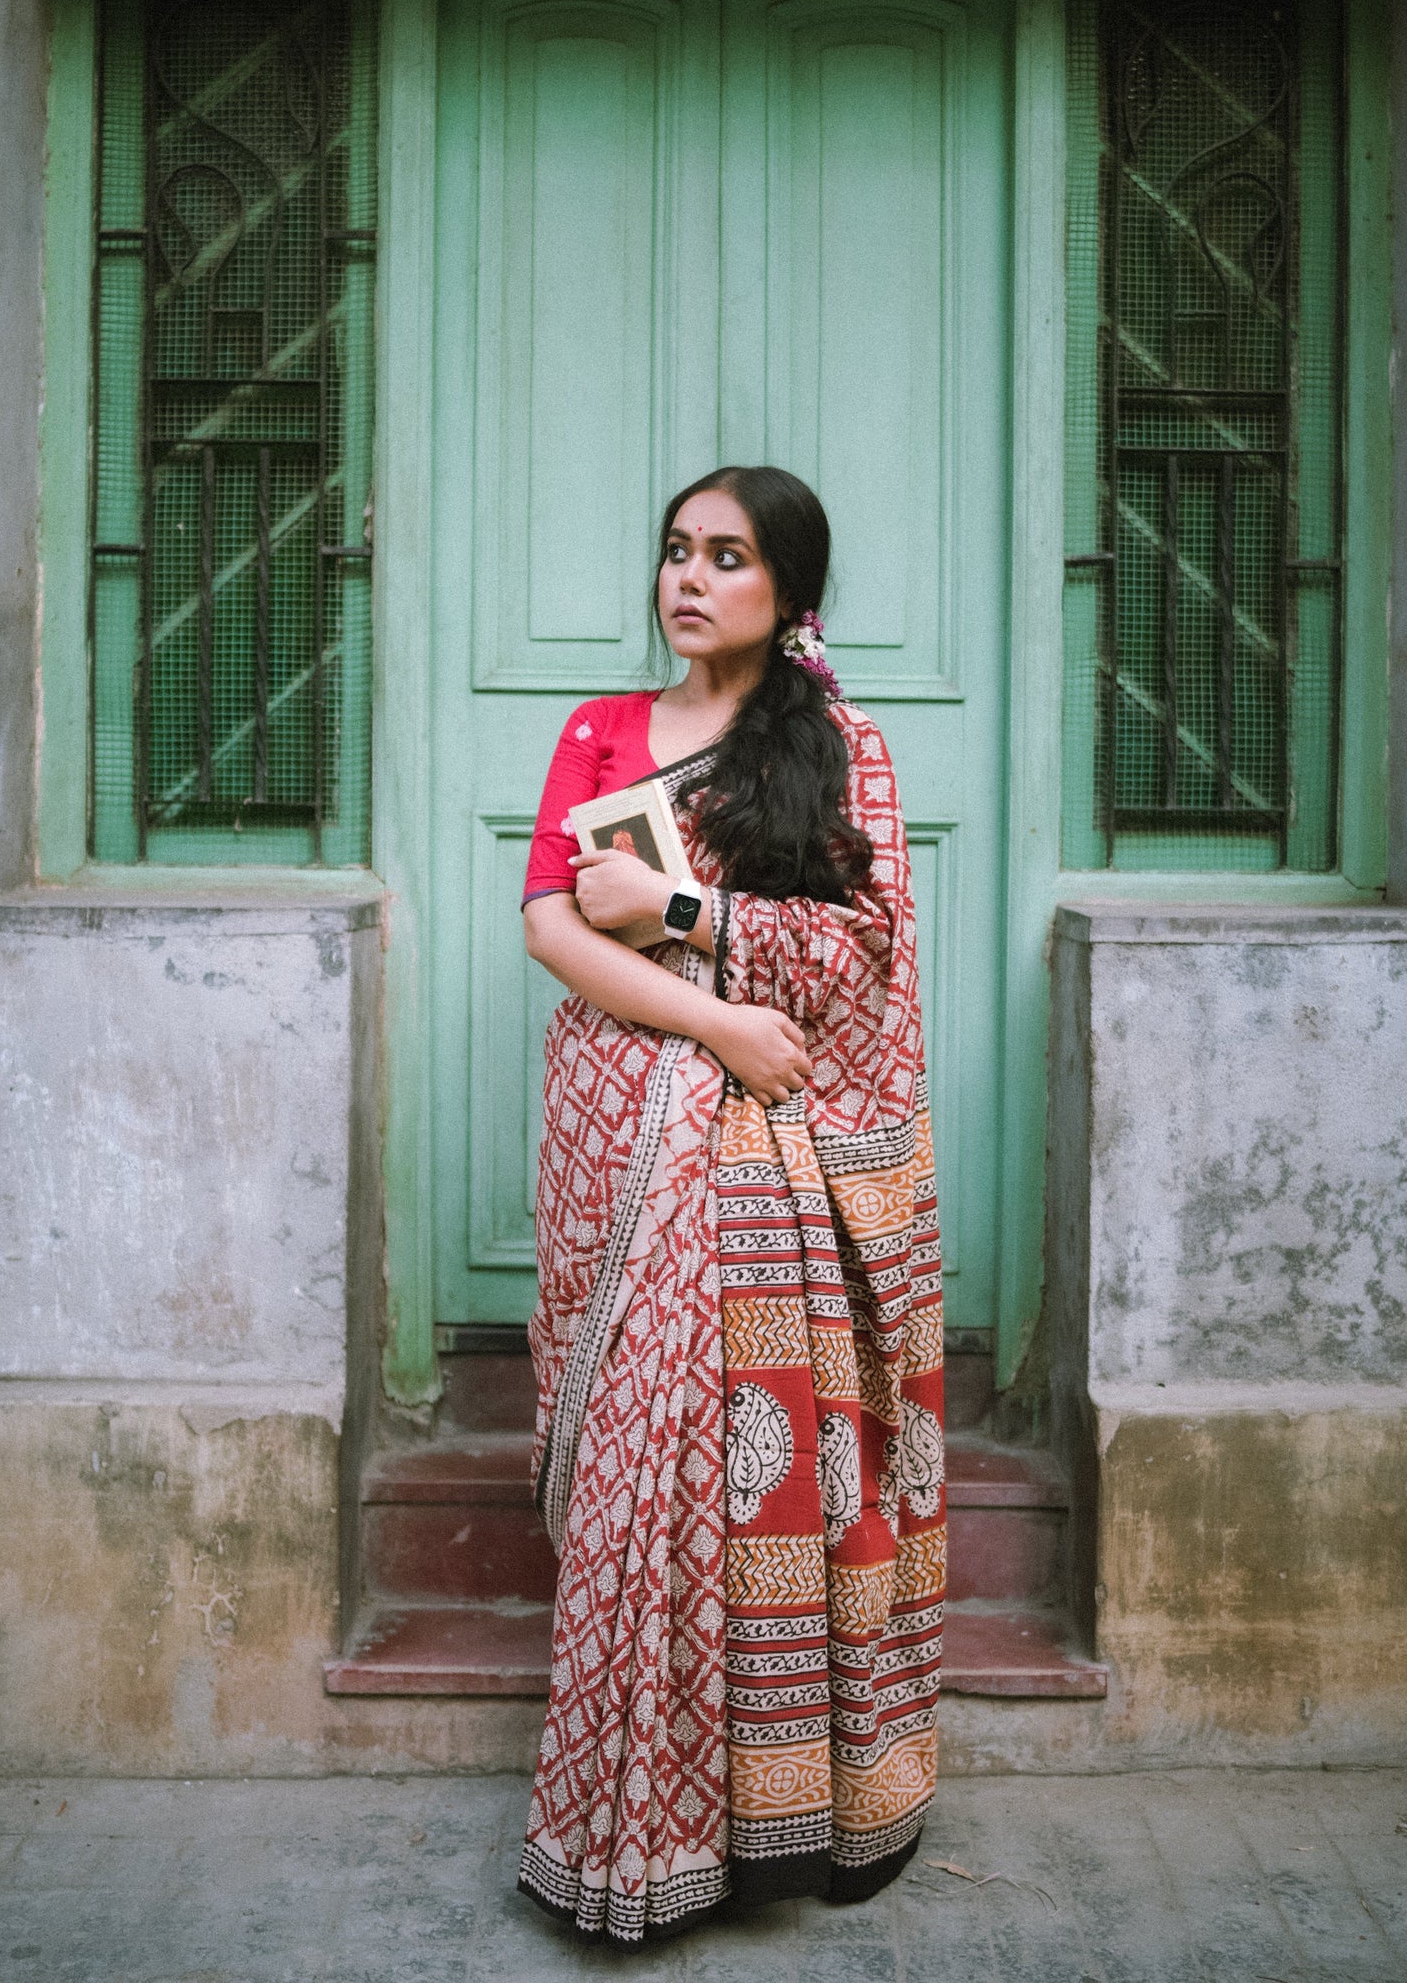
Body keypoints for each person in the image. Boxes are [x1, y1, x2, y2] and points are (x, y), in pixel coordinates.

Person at [517, 466, 946, 1945]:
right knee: (646, 1456)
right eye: (674, 553)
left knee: (752, 1467)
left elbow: (863, 960)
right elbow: (550, 926)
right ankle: (622, 1820)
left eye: (726, 558)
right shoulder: (600, 735)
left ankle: (787, 1811)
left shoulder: (839, 751)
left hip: (772, 1162)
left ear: (787, 592)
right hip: (627, 1131)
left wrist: (693, 915)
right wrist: (708, 1021)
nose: (687, 579)